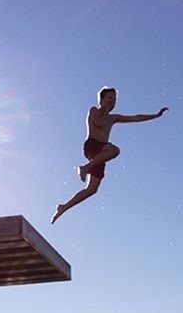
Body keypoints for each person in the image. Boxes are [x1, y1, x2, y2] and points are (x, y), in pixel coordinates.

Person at [51, 86, 168, 223]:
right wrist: (105, 109)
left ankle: (63, 207)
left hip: (101, 154)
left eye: (115, 99)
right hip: (92, 146)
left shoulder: (114, 118)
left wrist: (156, 115)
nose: (112, 101)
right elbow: (98, 122)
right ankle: (85, 168)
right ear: (101, 99)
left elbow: (135, 118)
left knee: (92, 189)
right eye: (109, 98)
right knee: (115, 150)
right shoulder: (93, 110)